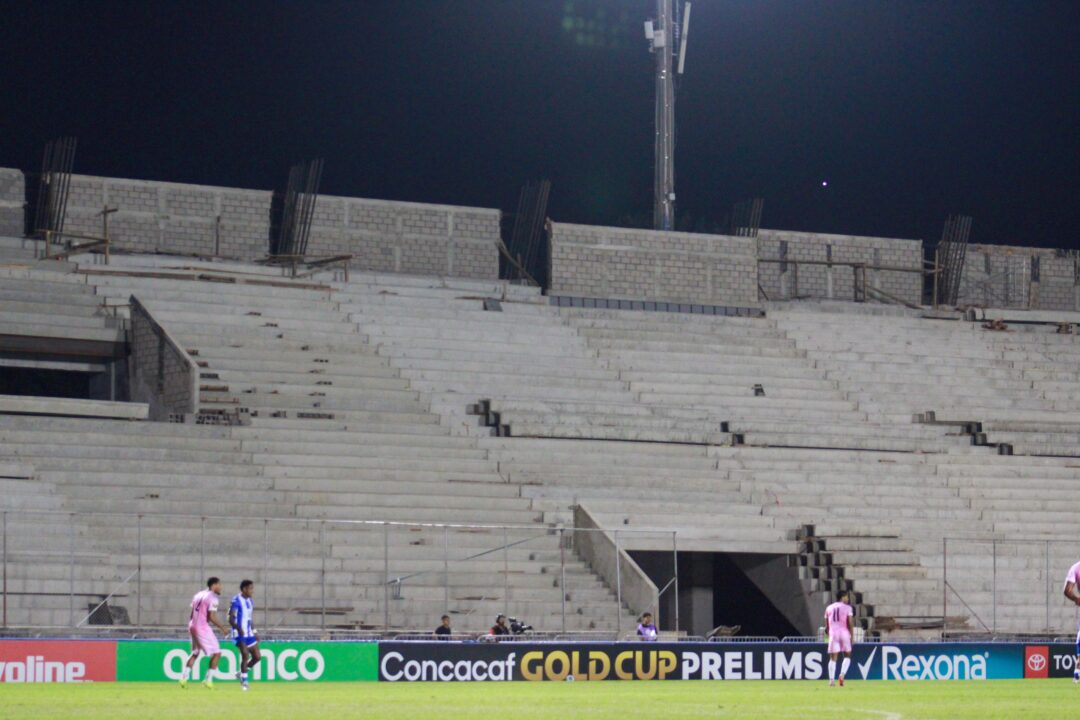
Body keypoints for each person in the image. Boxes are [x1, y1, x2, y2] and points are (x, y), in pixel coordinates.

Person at [180, 577, 229, 689]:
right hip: (202, 627)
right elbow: (211, 616)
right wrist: (223, 628)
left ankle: (183, 678)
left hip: (192, 625)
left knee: (195, 653)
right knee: (217, 653)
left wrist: (192, 626)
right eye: (219, 584)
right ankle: (208, 680)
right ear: (214, 585)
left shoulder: (198, 595)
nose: (220, 587)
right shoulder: (213, 598)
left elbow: (192, 613)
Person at [229, 579, 261, 691]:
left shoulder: (250, 601)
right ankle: (245, 682)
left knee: (257, 657)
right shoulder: (236, 600)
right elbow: (231, 618)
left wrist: (255, 631)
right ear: (244, 589)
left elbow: (249, 618)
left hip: (249, 633)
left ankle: (241, 673)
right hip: (238, 633)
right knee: (245, 655)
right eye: (250, 588)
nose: (252, 591)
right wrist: (238, 628)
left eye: (252, 588)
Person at [824, 589, 855, 687]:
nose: (848, 599)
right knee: (847, 655)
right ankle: (841, 675)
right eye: (847, 597)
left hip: (833, 633)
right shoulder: (848, 608)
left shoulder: (828, 608)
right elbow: (850, 623)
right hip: (844, 633)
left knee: (833, 658)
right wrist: (852, 636)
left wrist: (828, 636)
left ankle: (831, 681)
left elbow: (827, 626)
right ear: (842, 597)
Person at [1062, 560, 1080, 682]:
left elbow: (1067, 590)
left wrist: (1076, 599)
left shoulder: (1076, 568)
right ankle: (1076, 674)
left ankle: (1076, 675)